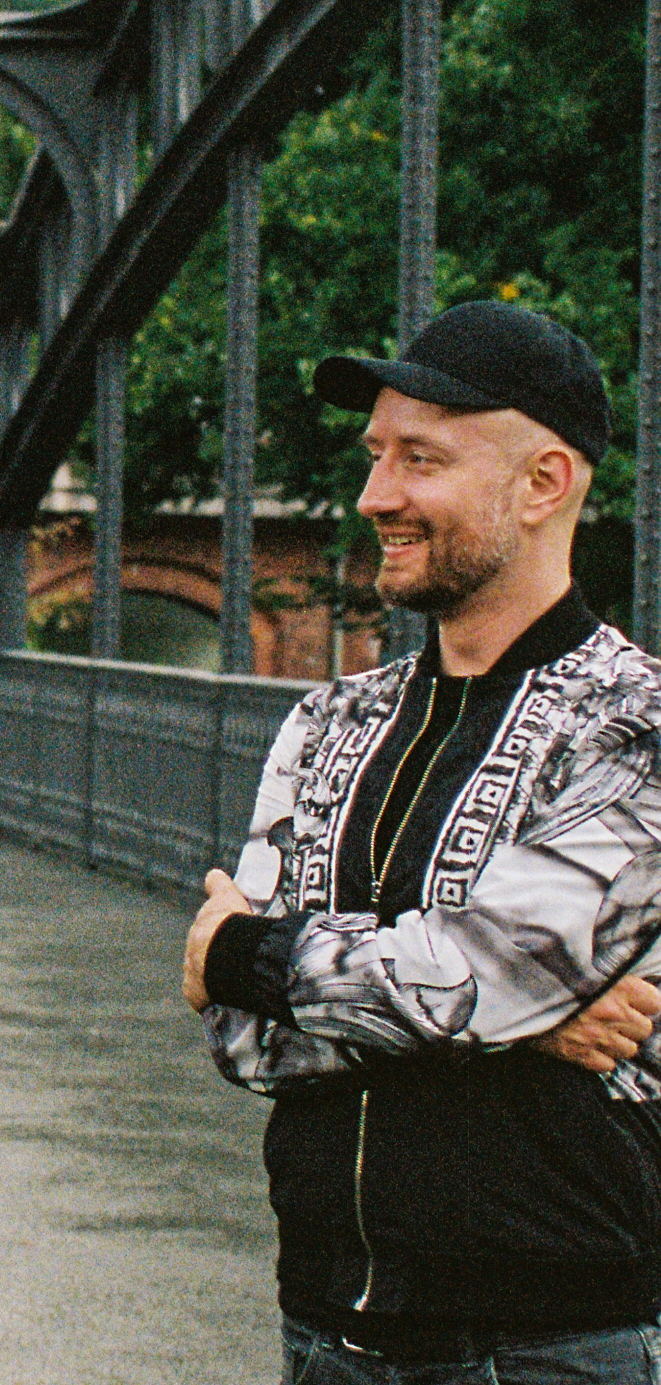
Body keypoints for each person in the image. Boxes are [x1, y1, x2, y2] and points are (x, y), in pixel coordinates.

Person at [184, 301, 661, 1382]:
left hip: (547, 1341)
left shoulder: (632, 726)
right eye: (373, 457)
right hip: (323, 1323)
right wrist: (523, 1024)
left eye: (419, 459)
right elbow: (240, 1043)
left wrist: (241, 952)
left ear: (542, 482)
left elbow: (457, 978)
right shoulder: (327, 721)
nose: (372, 497)